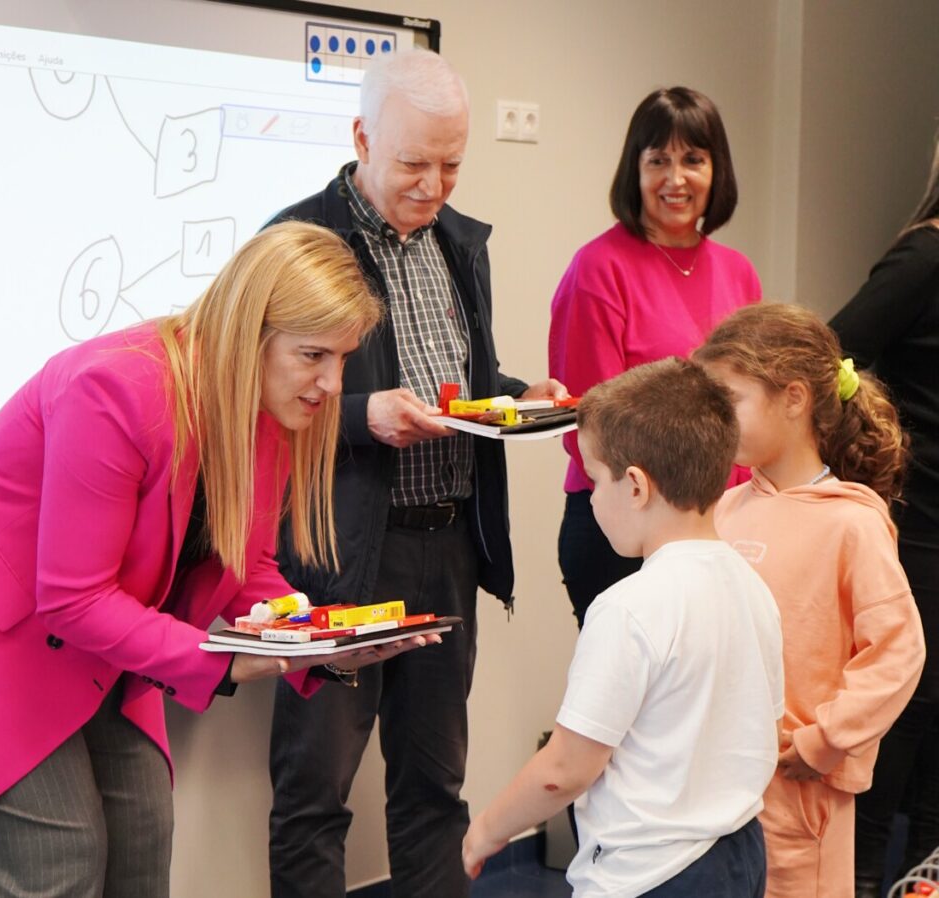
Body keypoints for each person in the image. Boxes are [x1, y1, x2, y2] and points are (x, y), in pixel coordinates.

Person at [0, 221, 439, 898]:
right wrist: (230, 659)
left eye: (343, 359)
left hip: (80, 638)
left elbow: (245, 570)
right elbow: (74, 597)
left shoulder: (265, 407)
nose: (333, 383)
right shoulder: (115, 388)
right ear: (250, 331)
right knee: (53, 858)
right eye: (314, 355)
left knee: (142, 837)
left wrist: (317, 638)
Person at [264, 48, 565, 898]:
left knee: (435, 785)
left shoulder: (460, 245)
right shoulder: (294, 242)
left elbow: (460, 383)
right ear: (362, 136)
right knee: (314, 793)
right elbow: (256, 403)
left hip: (448, 548)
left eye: (453, 163)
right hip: (342, 554)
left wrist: (519, 396)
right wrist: (364, 417)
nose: (435, 185)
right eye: (414, 162)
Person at [462, 357, 784, 897]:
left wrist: (484, 833)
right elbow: (765, 730)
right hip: (740, 854)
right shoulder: (752, 587)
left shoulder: (629, 608)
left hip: (650, 874)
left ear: (635, 486)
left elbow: (562, 769)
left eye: (593, 480)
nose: (590, 497)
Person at [694, 303, 926, 898]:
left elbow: (897, 653)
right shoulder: (722, 511)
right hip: (720, 787)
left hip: (800, 793)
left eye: (730, 401)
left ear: (794, 398)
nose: (714, 421)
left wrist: (825, 741)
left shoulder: (852, 525)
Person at [548, 86, 761, 629]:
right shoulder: (598, 270)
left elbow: (752, 408)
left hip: (723, 525)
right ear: (634, 170)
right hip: (625, 533)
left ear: (718, 169)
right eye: (658, 160)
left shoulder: (738, 271)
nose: (676, 179)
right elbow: (588, 426)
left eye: (693, 159)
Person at [828, 135, 939, 897]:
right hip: (920, 541)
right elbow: (829, 358)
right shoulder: (922, 260)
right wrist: (874, 452)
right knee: (889, 761)